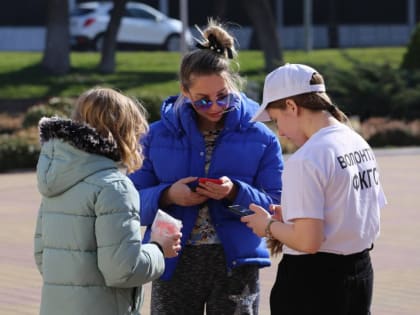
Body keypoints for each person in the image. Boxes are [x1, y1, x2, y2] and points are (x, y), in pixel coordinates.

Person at [128, 19, 284, 315]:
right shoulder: (155, 136)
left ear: (233, 87)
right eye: (202, 100)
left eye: (222, 97)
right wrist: (168, 195)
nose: (214, 106)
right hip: (172, 259)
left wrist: (234, 193)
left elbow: (276, 206)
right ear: (184, 92)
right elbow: (130, 203)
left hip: (236, 262)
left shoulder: (261, 137)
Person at [242, 63, 387, 315]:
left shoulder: (307, 158)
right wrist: (292, 217)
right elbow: (356, 211)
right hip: (360, 272)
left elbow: (308, 241)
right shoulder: (356, 141)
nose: (282, 133)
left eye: (277, 121)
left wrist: (266, 225)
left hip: (313, 282)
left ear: (291, 106)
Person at [33, 87, 182, 315]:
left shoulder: (57, 178)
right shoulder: (115, 187)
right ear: (125, 133)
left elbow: (43, 256)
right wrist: (159, 249)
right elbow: (123, 270)